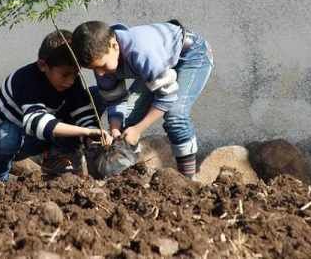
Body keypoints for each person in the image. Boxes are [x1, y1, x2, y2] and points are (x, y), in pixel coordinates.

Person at [72, 20, 213, 178]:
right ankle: (129, 177)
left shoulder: (141, 53)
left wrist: (138, 129)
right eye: (94, 69)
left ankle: (188, 180)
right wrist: (115, 128)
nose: (100, 74)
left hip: (191, 55)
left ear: (114, 45)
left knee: (175, 116)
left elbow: (167, 97)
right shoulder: (103, 62)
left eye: (103, 66)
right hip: (157, 68)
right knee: (128, 122)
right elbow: (114, 99)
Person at [0, 30, 112, 182]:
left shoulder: (72, 82)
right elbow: (36, 123)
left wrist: (92, 137)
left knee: (97, 95)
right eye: (65, 75)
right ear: (43, 65)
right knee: (7, 140)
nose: (71, 81)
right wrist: (86, 131)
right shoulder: (26, 80)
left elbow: (82, 114)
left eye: (76, 74)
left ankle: (59, 160)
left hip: (49, 129)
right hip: (22, 133)